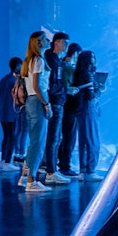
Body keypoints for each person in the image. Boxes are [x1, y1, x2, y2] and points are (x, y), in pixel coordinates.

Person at [19, 31, 52, 192]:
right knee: (38, 142)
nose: (48, 41)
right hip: (38, 101)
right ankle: (31, 181)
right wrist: (46, 104)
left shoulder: (28, 60)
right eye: (45, 39)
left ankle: (27, 177)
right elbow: (38, 85)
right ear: (39, 42)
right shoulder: (38, 60)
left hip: (30, 101)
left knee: (33, 140)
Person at [41, 32, 72, 186]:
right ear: (58, 43)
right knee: (53, 138)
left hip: (57, 101)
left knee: (56, 138)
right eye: (65, 43)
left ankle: (52, 169)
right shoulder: (51, 60)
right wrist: (63, 91)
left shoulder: (55, 60)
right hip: (55, 102)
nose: (66, 47)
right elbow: (52, 84)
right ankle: (51, 172)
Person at [72, 50, 104, 181]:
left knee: (83, 140)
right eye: (93, 57)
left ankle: (83, 171)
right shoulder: (88, 75)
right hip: (88, 109)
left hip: (80, 110)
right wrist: (100, 90)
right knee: (93, 139)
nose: (95, 59)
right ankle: (91, 170)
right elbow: (91, 96)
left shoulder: (78, 73)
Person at [57, 42, 82, 176]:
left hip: (64, 105)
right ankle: (65, 165)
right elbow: (68, 86)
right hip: (70, 105)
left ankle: (62, 163)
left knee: (65, 136)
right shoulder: (68, 68)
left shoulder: (62, 65)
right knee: (69, 136)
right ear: (76, 54)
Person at [0, 57, 22, 171]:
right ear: (17, 66)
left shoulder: (3, 79)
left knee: (6, 136)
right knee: (12, 137)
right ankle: (8, 161)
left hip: (2, 113)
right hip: (11, 113)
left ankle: (3, 160)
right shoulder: (14, 81)